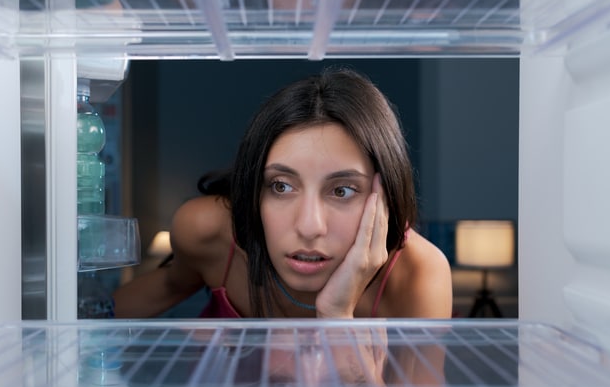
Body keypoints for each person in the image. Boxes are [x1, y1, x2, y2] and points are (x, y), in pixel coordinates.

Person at [113, 67, 452, 319]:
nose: (309, 226)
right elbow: (162, 290)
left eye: (342, 190)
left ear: (385, 195)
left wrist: (337, 316)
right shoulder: (209, 230)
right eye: (281, 186)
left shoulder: (417, 276)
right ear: (254, 189)